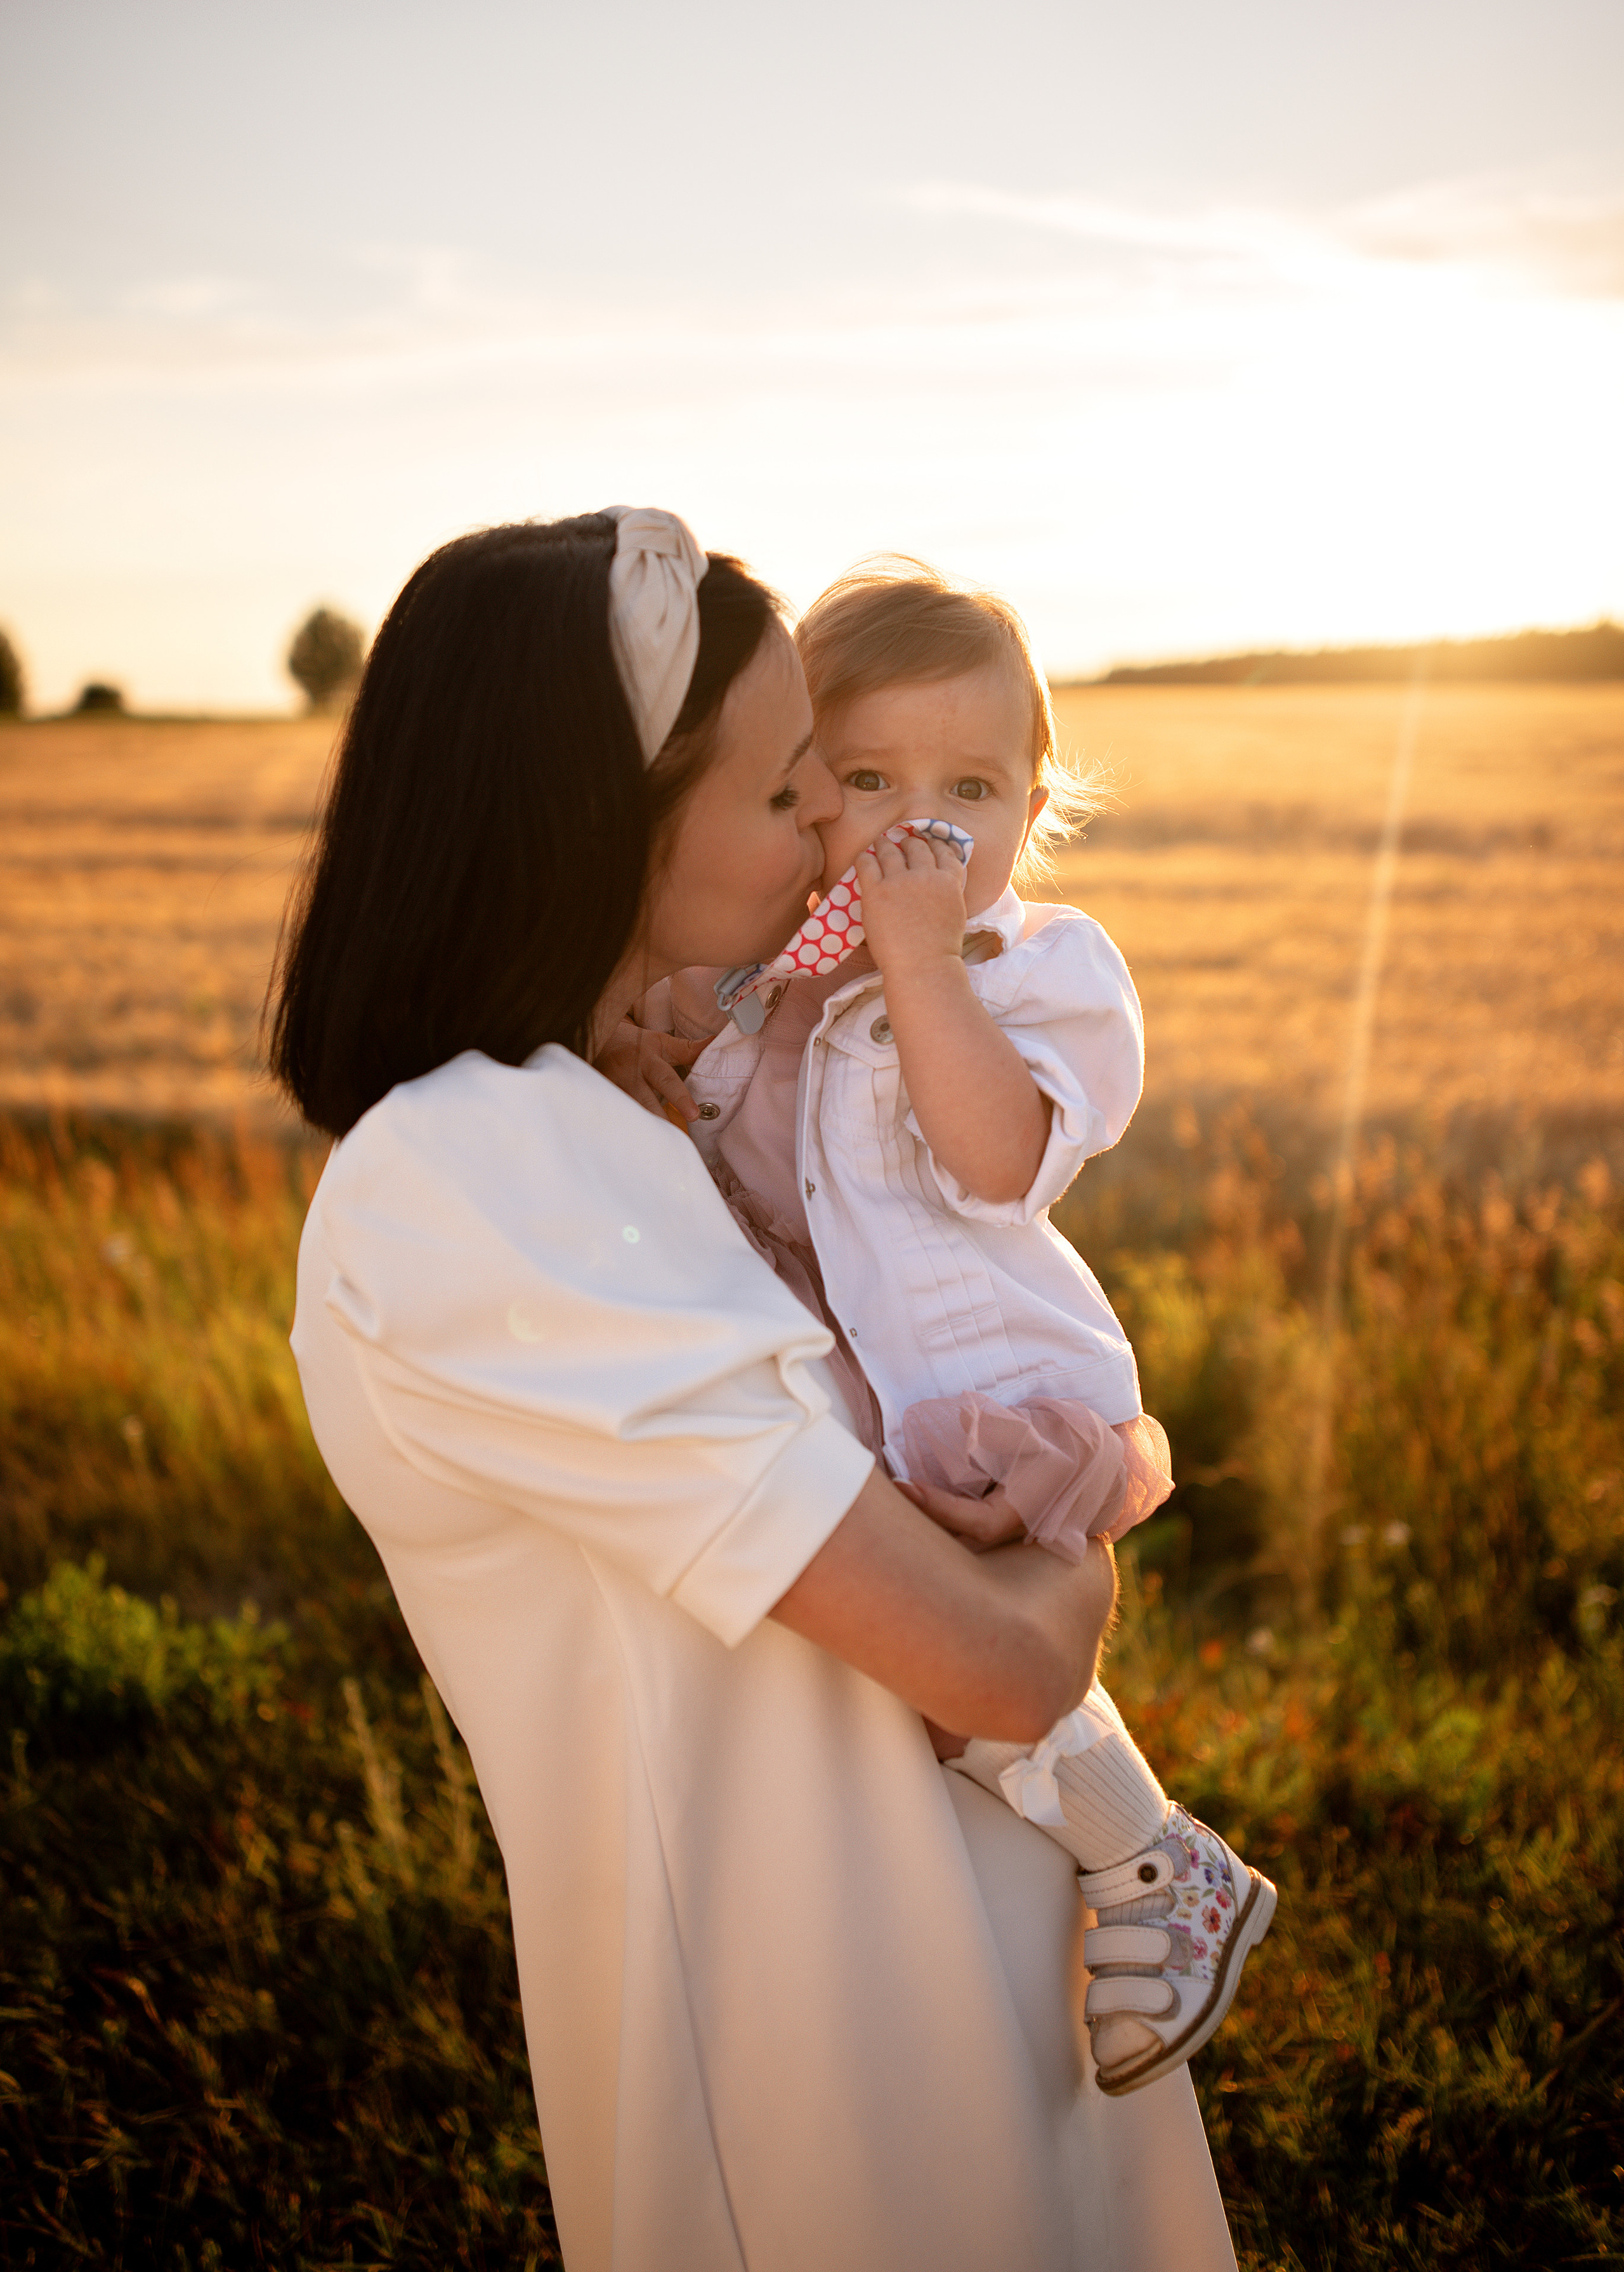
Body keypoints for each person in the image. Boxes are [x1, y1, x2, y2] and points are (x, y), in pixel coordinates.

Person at [273, 509, 1239, 2270]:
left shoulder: (615, 1119)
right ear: (608, 827)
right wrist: (1091, 1513)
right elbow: (1013, 1654)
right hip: (825, 2061)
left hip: (990, 1948)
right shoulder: (469, 1178)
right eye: (799, 784)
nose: (846, 837)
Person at [643, 560, 1274, 2099]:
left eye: (971, 788)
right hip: (842, 1379)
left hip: (979, 1380)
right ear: (800, 793)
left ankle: (1153, 1864)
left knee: (960, 1662)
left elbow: (996, 1160)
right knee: (897, 1685)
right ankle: (1121, 1871)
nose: (921, 827)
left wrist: (920, 963)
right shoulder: (765, 975)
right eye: (867, 779)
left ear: (1033, 804)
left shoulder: (1034, 968)